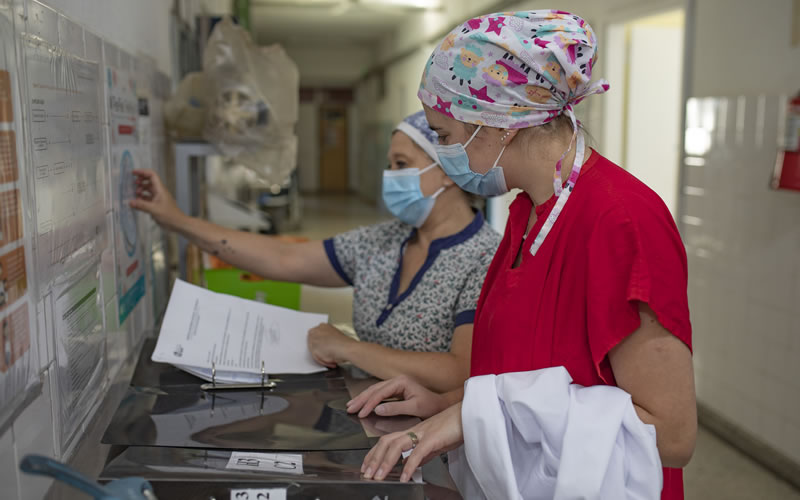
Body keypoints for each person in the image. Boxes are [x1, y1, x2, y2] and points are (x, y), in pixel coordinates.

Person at [347, 10, 696, 499]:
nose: (443, 154)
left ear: (499, 125)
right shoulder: (527, 211)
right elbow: (524, 375)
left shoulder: (622, 223)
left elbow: (672, 436)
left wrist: (473, 419)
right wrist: (447, 403)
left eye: (444, 136)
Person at [131, 110, 500, 393]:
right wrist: (176, 220)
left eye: (401, 165)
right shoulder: (385, 241)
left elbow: (459, 371)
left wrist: (349, 349)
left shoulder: (486, 259)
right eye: (389, 165)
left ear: (449, 170)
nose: (390, 176)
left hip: (433, 439)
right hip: (370, 412)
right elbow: (284, 258)